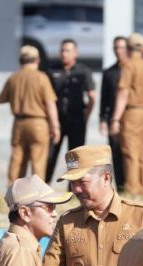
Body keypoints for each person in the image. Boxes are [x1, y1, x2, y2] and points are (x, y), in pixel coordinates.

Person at [43, 144, 143, 266]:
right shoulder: (67, 223)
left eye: (82, 181)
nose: (76, 190)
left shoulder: (142, 217)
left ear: (106, 178)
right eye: (72, 183)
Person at [0, 45, 60, 185]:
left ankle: (13, 197)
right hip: (38, 124)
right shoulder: (41, 77)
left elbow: (1, 99)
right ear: (37, 60)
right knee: (38, 162)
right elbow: (50, 104)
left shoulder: (13, 77)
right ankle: (36, 198)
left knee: (17, 161)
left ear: (20, 60)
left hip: (19, 123)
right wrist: (55, 126)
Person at [110, 33, 143, 199]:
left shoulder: (129, 66)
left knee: (130, 153)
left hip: (132, 112)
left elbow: (123, 93)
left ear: (128, 48)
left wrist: (115, 118)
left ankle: (132, 190)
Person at [45, 39, 96, 182]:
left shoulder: (83, 71)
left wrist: (86, 115)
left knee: (76, 156)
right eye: (62, 50)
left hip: (77, 119)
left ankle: (74, 188)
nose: (64, 54)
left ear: (75, 53)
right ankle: (45, 185)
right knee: (50, 155)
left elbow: (92, 96)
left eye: (67, 50)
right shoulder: (51, 70)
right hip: (57, 120)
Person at [99, 36, 128, 189]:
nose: (119, 51)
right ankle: (122, 186)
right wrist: (103, 119)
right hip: (113, 118)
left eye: (122, 47)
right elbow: (104, 97)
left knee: (129, 152)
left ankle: (131, 184)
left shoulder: (131, 70)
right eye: (116, 47)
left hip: (130, 117)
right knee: (115, 152)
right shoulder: (109, 72)